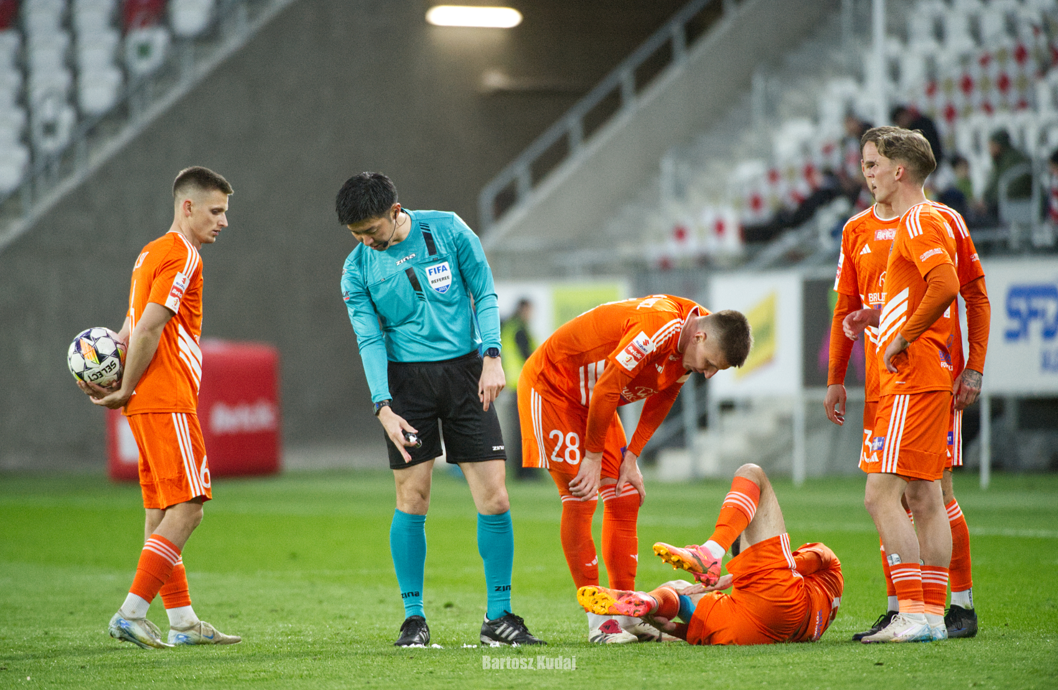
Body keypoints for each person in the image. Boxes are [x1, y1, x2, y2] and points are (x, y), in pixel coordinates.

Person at [337, 172, 544, 648]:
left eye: (371, 230)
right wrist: (382, 406)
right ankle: (414, 619)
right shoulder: (356, 270)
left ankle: (498, 617)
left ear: (395, 211)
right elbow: (369, 339)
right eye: (356, 235)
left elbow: (484, 292)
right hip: (406, 385)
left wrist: (492, 355)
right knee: (413, 499)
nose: (366, 241)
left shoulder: (448, 229)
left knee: (496, 499)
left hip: (467, 374)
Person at [827, 129, 990, 641]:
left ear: (898, 170)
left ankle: (935, 610)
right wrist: (875, 323)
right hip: (895, 381)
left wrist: (911, 342)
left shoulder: (925, 219)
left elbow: (957, 290)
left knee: (896, 494)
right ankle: (920, 612)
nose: (866, 174)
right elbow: (898, 297)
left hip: (916, 377)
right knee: (919, 495)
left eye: (872, 164)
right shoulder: (860, 229)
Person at [518, 294, 752, 643]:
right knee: (581, 496)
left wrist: (632, 457)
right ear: (700, 337)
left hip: (595, 399)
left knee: (625, 496)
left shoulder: (696, 334)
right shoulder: (658, 327)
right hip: (554, 387)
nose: (708, 372)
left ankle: (625, 612)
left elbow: (665, 394)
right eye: (709, 363)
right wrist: (593, 458)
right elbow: (608, 385)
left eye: (715, 368)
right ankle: (600, 622)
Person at [78, 167, 241, 649]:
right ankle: (131, 613)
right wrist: (124, 387)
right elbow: (149, 326)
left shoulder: (149, 252)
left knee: (160, 511)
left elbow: (128, 327)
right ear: (187, 207)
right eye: (216, 211)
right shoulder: (183, 254)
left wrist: (113, 380)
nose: (224, 222)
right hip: (165, 397)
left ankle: (183, 621)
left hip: (146, 401)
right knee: (189, 508)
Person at [576, 463, 843, 646]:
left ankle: (712, 552)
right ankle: (649, 602)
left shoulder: (822, 570)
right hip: (760, 629)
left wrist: (736, 576)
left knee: (751, 473)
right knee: (678, 589)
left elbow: (817, 558)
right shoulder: (826, 593)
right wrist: (673, 629)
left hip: (775, 608)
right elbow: (818, 560)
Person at [500, 298, 536, 479]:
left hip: (515, 384)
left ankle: (522, 469)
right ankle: (527, 470)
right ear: (523, 309)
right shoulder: (519, 329)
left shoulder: (510, 327)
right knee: (526, 430)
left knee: (519, 430)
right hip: (523, 383)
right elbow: (529, 357)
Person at [979, 129, 1032, 221]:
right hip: (1004, 202)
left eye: (992, 146)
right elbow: (994, 183)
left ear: (999, 145)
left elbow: (1011, 187)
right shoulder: (1002, 159)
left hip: (1016, 203)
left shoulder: (1012, 160)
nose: (990, 150)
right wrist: (985, 198)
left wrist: (989, 202)